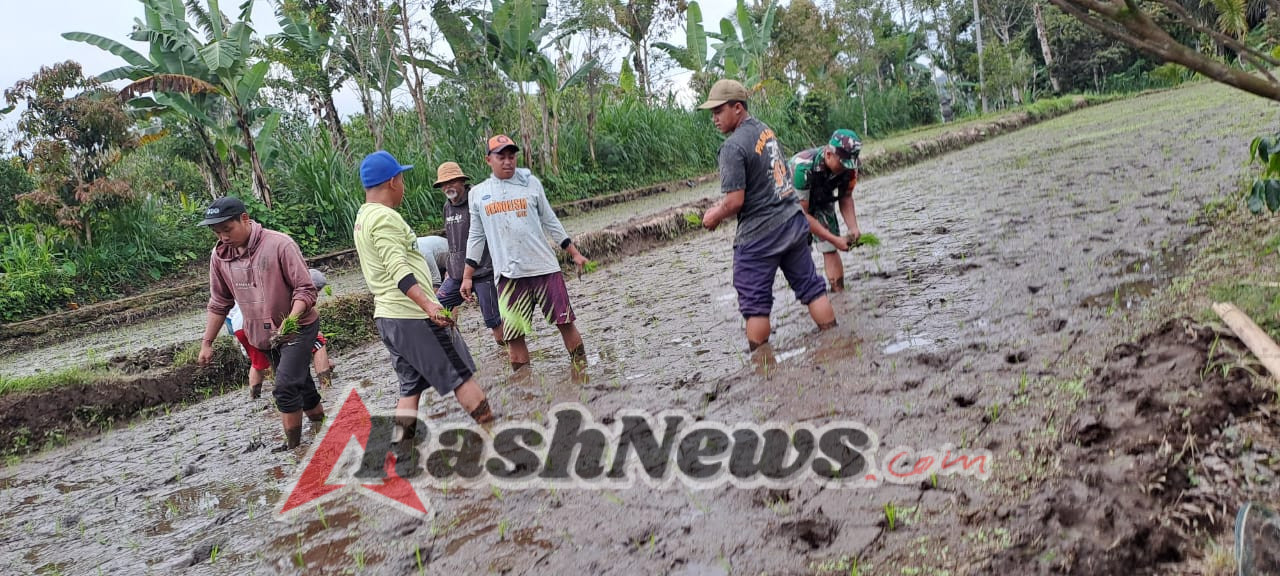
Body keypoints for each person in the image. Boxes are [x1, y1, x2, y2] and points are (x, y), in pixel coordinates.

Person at [353, 150, 495, 437]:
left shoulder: (363, 217)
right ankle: (497, 435)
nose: (403, 185)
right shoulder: (385, 219)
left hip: (389, 318)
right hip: (413, 316)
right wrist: (429, 305)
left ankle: (403, 448)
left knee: (410, 386)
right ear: (393, 181)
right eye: (402, 178)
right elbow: (398, 269)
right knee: (461, 374)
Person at [697, 79, 839, 351]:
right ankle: (836, 342)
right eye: (712, 113)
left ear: (737, 108)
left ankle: (761, 368)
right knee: (811, 288)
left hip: (760, 237)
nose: (714, 118)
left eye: (718, 111)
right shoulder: (765, 131)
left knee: (755, 304)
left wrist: (713, 215)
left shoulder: (732, 147)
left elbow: (735, 201)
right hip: (792, 222)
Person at [197, 196, 325, 452]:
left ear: (244, 218)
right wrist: (207, 342)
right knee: (303, 386)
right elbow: (219, 302)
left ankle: (295, 449)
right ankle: (322, 425)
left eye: (227, 229)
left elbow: (306, 290)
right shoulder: (219, 257)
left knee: (286, 387)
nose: (223, 237)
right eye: (217, 232)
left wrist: (290, 319)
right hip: (263, 335)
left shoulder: (279, 244)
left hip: (296, 327)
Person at [462, 135, 590, 374]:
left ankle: (582, 371)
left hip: (544, 269)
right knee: (514, 336)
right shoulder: (478, 194)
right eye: (501, 157)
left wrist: (573, 252)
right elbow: (476, 235)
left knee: (565, 322)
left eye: (512, 156)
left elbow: (550, 220)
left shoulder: (531, 184)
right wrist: (467, 275)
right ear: (488, 160)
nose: (508, 162)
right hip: (509, 277)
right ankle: (524, 387)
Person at [223, 268, 336, 396]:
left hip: (242, 325)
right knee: (318, 342)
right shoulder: (296, 293)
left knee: (259, 362)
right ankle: (326, 387)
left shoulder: (267, 281)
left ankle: (255, 398)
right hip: (264, 324)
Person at [433, 161, 505, 348]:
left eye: (452, 181)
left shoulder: (477, 200)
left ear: (462, 181)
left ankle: (509, 354)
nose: (448, 187)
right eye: (444, 184)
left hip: (483, 272)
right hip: (457, 275)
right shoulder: (447, 207)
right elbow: (452, 241)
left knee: (495, 324)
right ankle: (454, 346)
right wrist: (450, 269)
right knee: (437, 307)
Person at [789, 129, 864, 292]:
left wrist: (853, 228)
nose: (846, 168)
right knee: (799, 249)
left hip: (822, 197)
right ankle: (811, 297)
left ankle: (839, 293)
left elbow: (846, 197)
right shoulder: (801, 167)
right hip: (791, 207)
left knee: (830, 248)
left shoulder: (850, 167)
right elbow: (801, 215)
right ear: (828, 155)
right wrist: (835, 238)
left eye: (849, 165)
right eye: (842, 164)